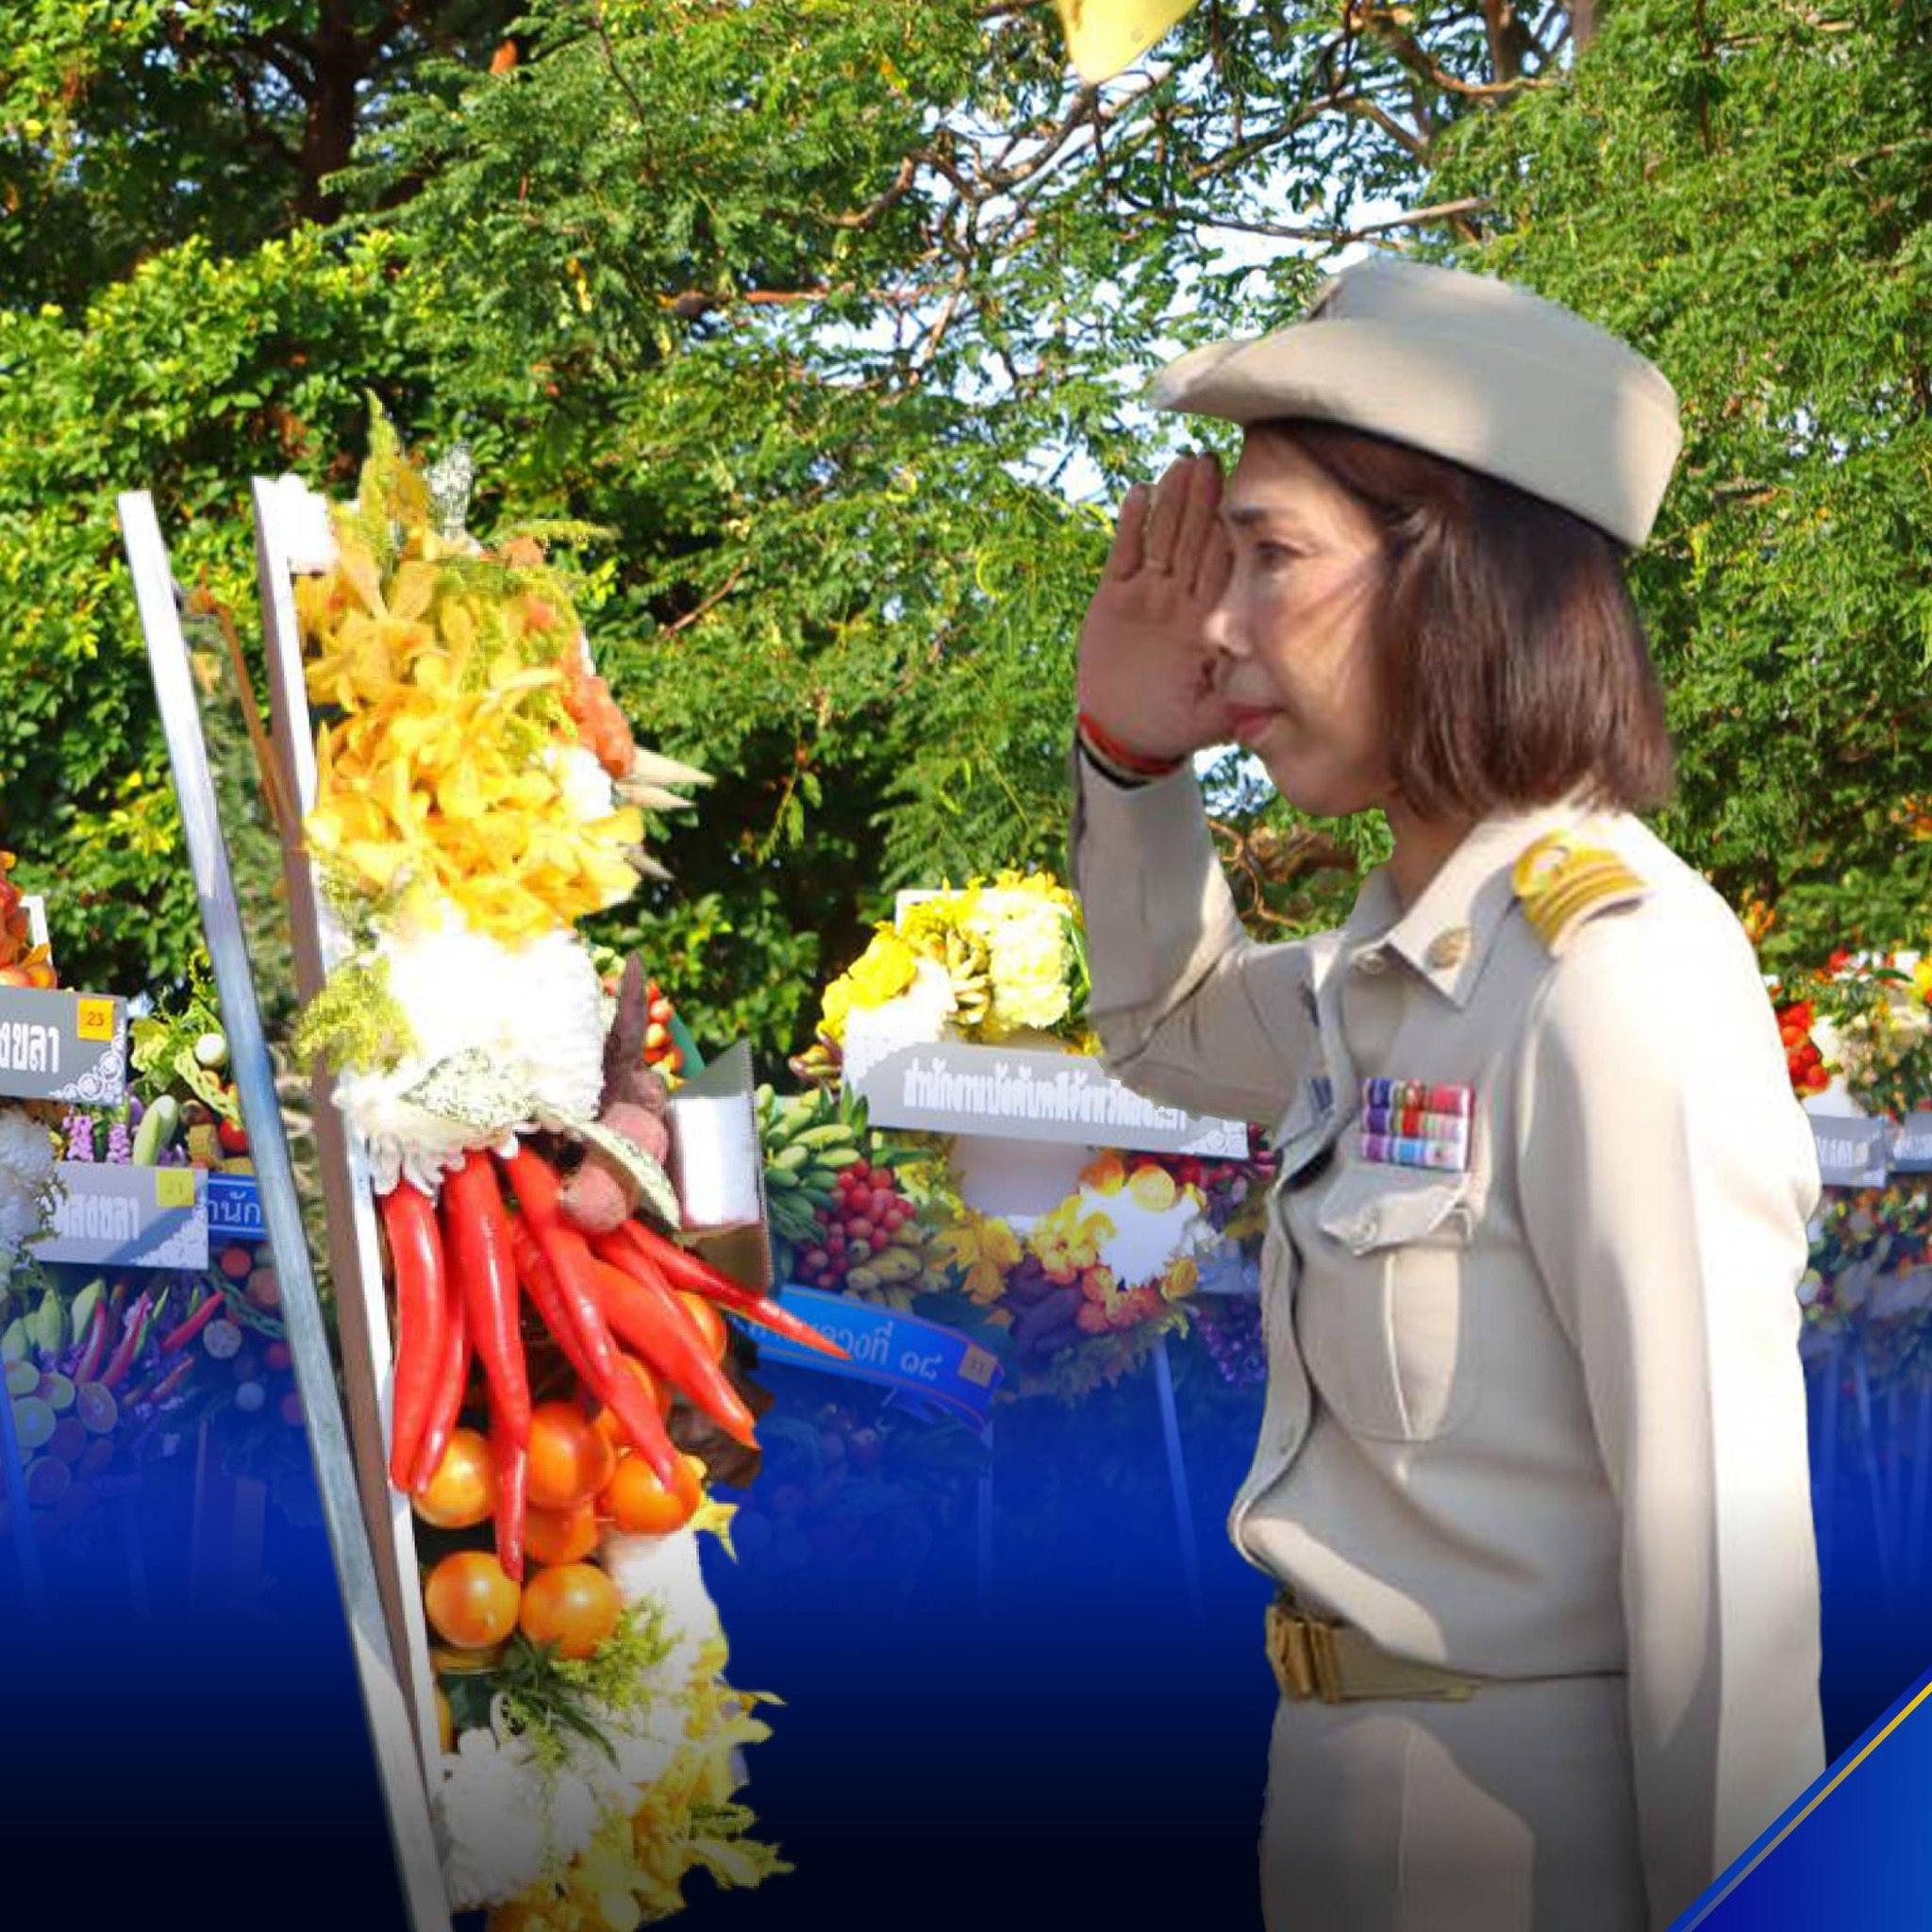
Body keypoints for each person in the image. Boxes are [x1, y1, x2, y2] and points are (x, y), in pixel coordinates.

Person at [1067, 254, 1824, 1932]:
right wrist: (1130, 758)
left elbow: (1728, 1592)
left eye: (1272, 559)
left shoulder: (1608, 974)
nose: (1218, 626)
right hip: (1347, 1813)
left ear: (1455, 579)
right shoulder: (1405, 962)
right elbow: (1166, 1029)